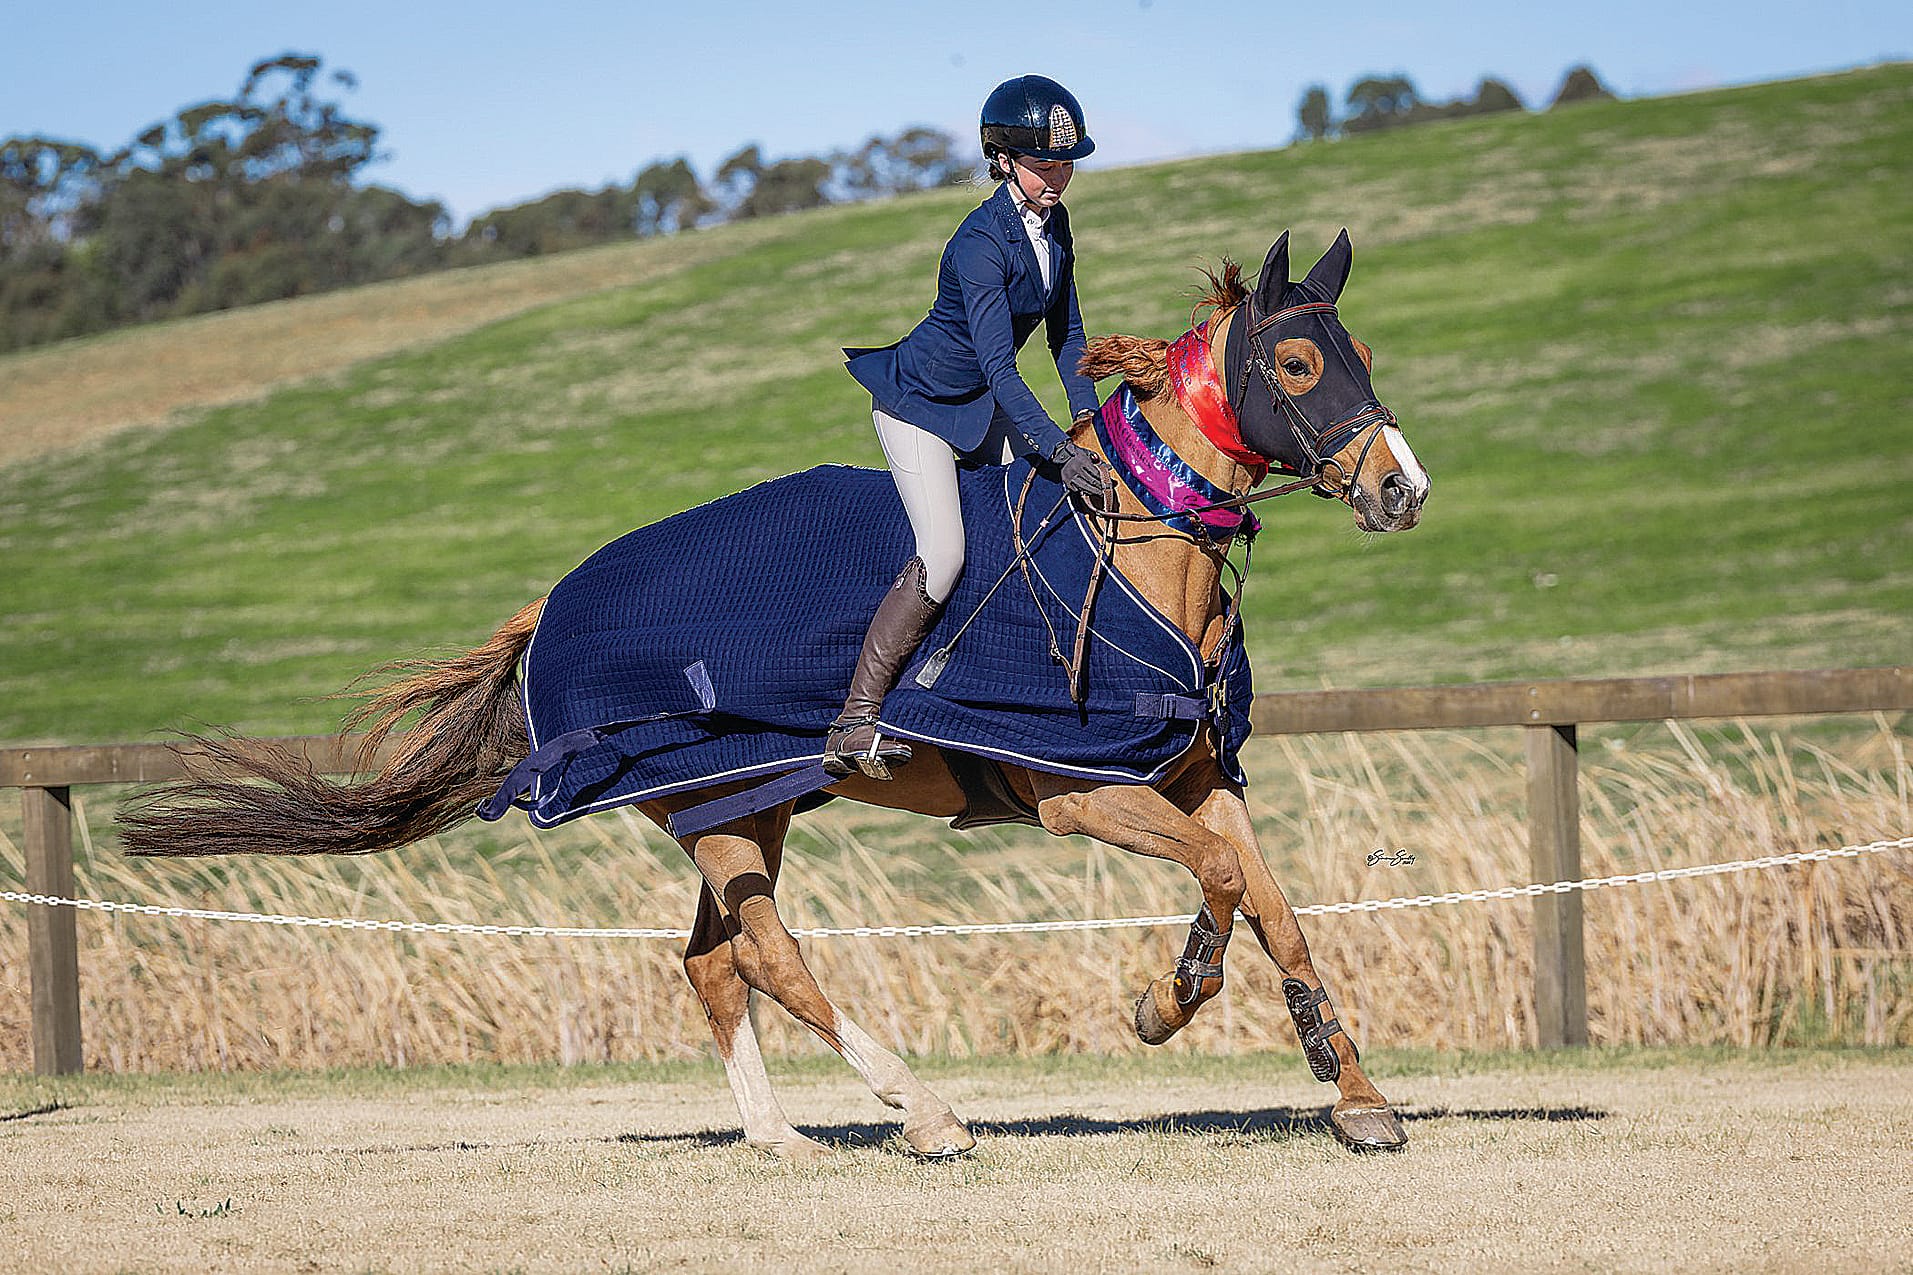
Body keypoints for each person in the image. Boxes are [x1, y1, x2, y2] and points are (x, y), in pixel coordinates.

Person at [828, 74, 1113, 780]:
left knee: (1050, 501)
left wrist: (1085, 423)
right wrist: (1052, 447)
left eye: (1065, 163)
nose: (1057, 178)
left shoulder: (1055, 226)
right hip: (920, 406)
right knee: (945, 553)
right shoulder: (979, 244)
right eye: (1043, 165)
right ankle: (855, 718)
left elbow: (1067, 335)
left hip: (981, 404)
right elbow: (998, 367)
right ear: (1002, 159)